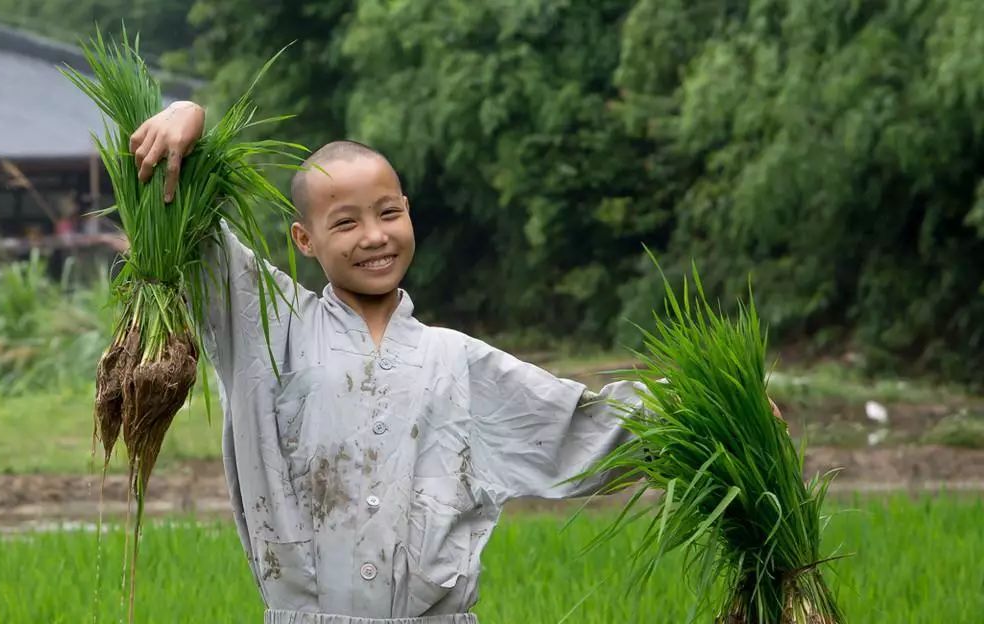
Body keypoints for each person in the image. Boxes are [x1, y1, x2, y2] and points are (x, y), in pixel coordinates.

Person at [129, 102, 779, 624]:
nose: (375, 236)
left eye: (388, 213)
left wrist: (703, 412)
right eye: (346, 222)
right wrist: (188, 115)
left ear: (409, 213)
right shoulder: (267, 328)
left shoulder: (455, 361)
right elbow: (189, 226)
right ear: (305, 240)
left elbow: (578, 422)